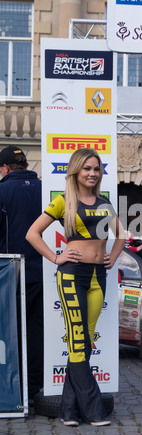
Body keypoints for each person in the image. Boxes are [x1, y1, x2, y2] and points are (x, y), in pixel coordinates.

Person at [26, 148, 125, 427]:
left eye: (96, 169)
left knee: (83, 341)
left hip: (97, 278)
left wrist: (113, 256)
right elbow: (32, 233)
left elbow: (122, 236)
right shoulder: (63, 202)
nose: (92, 173)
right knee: (79, 339)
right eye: (87, 169)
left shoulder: (105, 202)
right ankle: (94, 410)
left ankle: (69, 410)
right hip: (71, 276)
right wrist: (56, 257)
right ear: (76, 172)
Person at [0, 145, 43, 400]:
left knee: (10, 332)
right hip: (42, 273)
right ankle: (34, 387)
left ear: (5, 168)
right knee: (37, 332)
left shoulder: (2, 190)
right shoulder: (47, 190)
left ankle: (13, 389)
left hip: (10, 274)